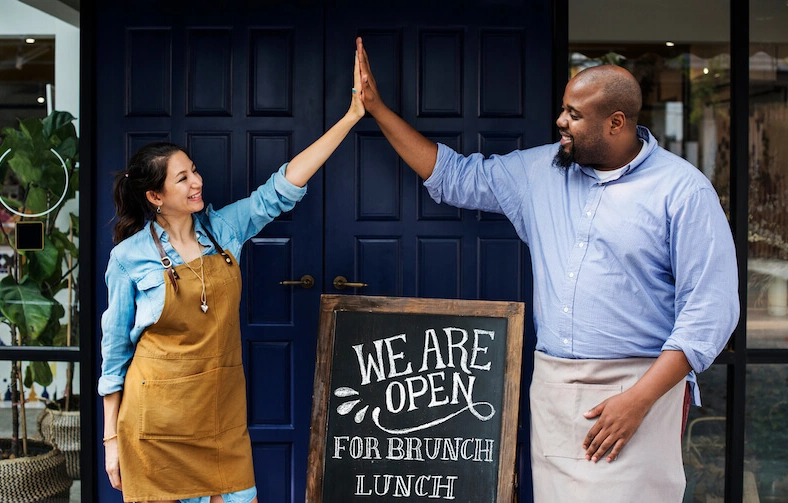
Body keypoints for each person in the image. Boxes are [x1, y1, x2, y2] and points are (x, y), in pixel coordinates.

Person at [355, 37, 739, 502]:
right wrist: (376, 108)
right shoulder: (540, 171)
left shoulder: (683, 192)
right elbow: (453, 176)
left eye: (575, 114)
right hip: (554, 387)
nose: (560, 120)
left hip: (640, 388)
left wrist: (639, 400)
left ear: (616, 123)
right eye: (564, 108)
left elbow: (710, 313)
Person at [98, 55, 364, 503]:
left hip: (220, 418)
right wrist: (110, 443)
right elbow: (114, 357)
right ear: (156, 196)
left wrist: (352, 117)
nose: (196, 182)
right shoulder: (128, 259)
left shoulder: (223, 231)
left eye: (194, 171)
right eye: (182, 178)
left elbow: (280, 190)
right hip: (155, 429)